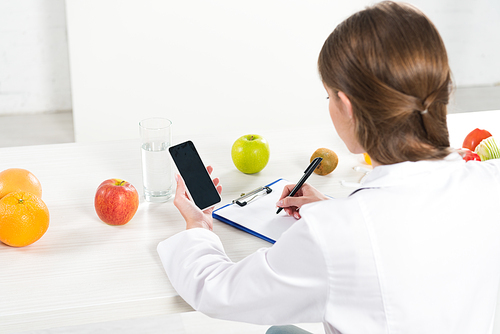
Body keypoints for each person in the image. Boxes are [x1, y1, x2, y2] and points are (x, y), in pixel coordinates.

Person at [157, 2, 500, 333]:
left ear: (347, 106)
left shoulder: (333, 237)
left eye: (328, 97)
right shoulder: (489, 184)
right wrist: (341, 212)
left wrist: (199, 226)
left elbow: (219, 292)